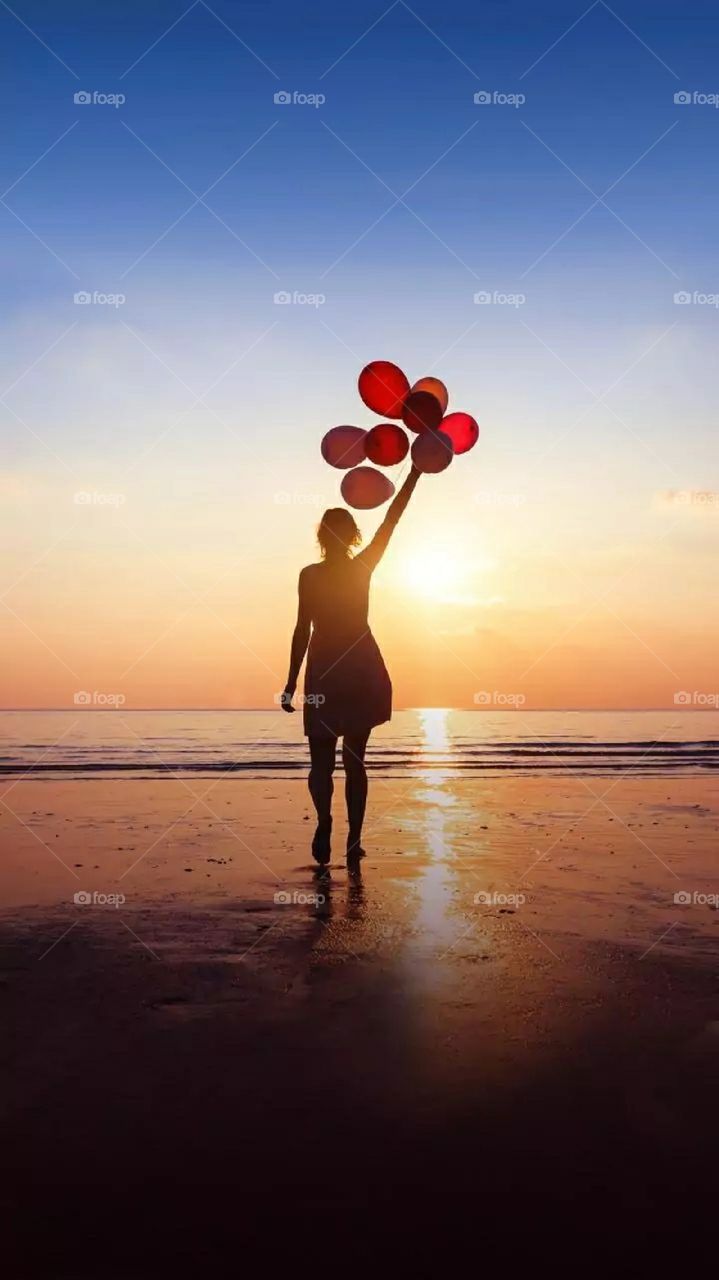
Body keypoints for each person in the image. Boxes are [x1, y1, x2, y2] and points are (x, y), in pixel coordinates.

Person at [281, 465, 421, 866]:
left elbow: (301, 630)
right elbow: (392, 519)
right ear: (353, 536)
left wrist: (291, 682)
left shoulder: (310, 575)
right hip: (359, 667)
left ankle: (325, 820)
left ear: (322, 538)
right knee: (356, 760)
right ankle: (353, 840)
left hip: (326, 668)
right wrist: (415, 472)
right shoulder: (362, 567)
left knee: (320, 762)